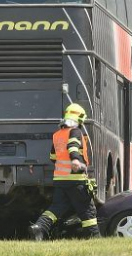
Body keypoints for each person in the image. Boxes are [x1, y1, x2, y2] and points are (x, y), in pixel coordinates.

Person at [29, 103, 100, 240]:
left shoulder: (57, 135)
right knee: (87, 210)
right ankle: (94, 238)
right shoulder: (75, 132)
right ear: (78, 119)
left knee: (57, 207)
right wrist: (75, 161)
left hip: (60, 180)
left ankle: (39, 228)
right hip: (76, 180)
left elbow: (53, 157)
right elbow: (73, 146)